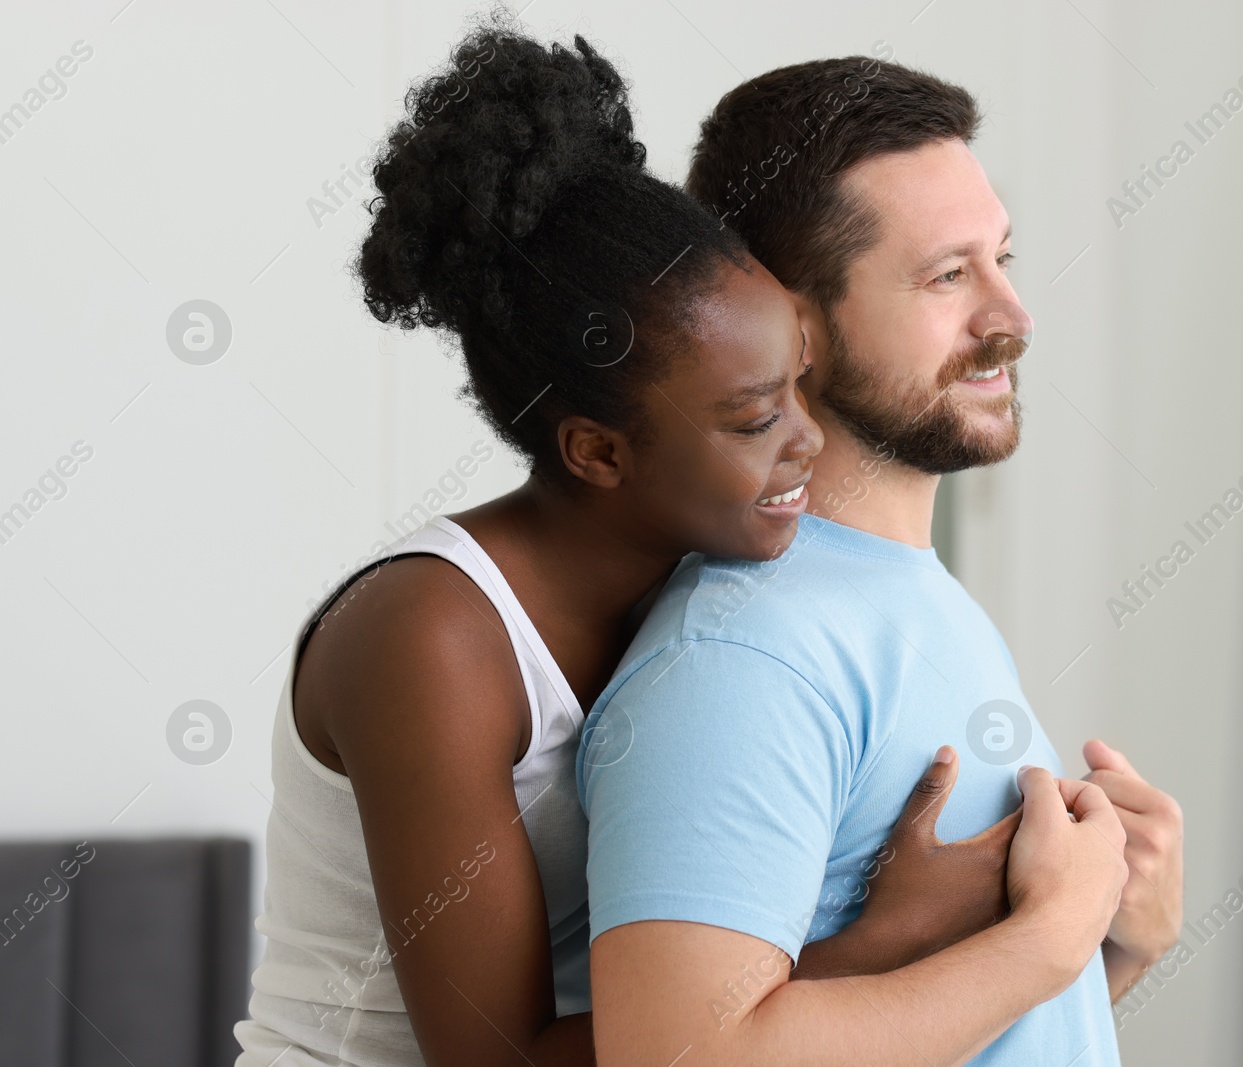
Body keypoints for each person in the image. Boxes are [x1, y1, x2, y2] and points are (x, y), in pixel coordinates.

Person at [233, 22, 1046, 1067]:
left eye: (801, 381)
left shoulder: (711, 590)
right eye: (754, 417)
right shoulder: (429, 634)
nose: (808, 438)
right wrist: (887, 941)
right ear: (599, 452)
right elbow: (494, 1057)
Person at [577, 53, 1185, 1065]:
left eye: (1003, 260)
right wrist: (1048, 937)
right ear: (795, 329)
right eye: (949, 275)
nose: (1011, 317)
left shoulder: (903, 599)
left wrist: (1117, 944)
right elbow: (675, 1054)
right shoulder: (744, 651)